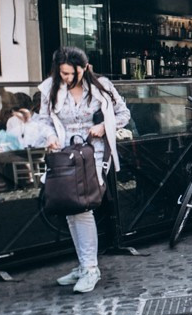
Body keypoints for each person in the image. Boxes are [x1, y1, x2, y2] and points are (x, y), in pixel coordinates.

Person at [33, 47, 131, 293]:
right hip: (64, 155)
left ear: (84, 68)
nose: (66, 78)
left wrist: (101, 126)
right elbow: (42, 120)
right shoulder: (49, 88)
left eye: (70, 73)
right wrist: (50, 137)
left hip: (91, 154)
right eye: (62, 73)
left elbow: (124, 114)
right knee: (70, 207)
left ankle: (90, 269)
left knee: (82, 207)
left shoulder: (101, 86)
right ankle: (83, 264)